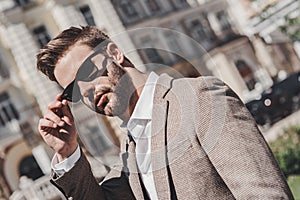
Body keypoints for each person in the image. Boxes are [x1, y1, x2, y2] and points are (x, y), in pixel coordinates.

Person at [36, 26, 294, 200]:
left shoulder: (199, 98)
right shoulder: (130, 148)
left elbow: (265, 195)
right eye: (74, 90)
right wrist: (67, 152)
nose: (87, 91)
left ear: (115, 53)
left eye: (87, 73)